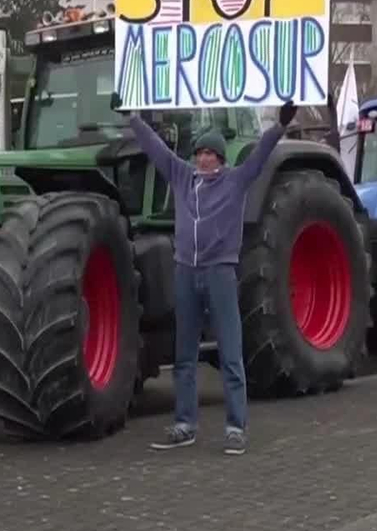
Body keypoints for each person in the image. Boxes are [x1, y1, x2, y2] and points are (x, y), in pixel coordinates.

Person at [111, 92, 296, 456]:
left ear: (221, 158)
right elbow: (155, 149)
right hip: (185, 272)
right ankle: (184, 424)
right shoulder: (182, 178)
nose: (203, 158)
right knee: (184, 354)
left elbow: (260, 154)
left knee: (230, 351)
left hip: (219, 272)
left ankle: (235, 427)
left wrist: (281, 124)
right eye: (198, 153)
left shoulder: (235, 181)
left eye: (209, 153)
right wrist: (133, 117)